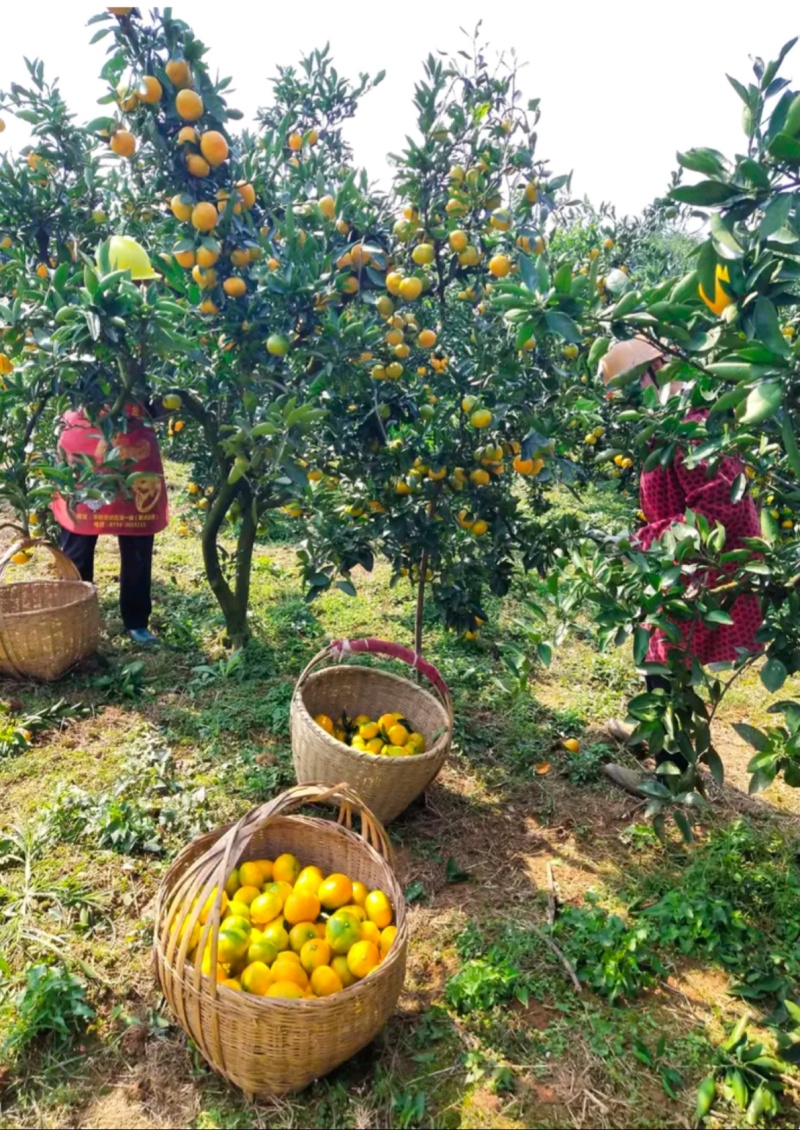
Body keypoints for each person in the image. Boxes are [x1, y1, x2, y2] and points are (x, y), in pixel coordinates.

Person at [597, 337, 763, 794]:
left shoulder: (689, 430)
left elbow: (720, 512)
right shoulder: (668, 427)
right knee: (658, 650)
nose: (631, 401)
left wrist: (643, 539)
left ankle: (672, 778)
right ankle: (651, 731)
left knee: (672, 660)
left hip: (706, 566)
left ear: (658, 372)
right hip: (678, 561)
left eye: (634, 388)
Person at [51, 237, 167, 645]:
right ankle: (79, 616)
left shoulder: (150, 334)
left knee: (136, 539)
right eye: (135, 284)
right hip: (89, 445)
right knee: (79, 538)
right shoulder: (82, 326)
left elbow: (161, 397)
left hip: (134, 448)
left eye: (142, 285)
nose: (140, 293)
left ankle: (136, 619)